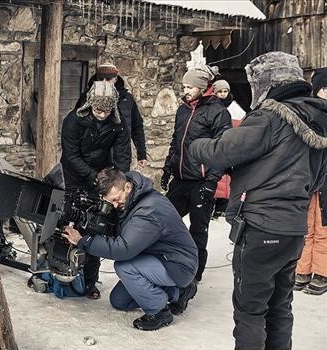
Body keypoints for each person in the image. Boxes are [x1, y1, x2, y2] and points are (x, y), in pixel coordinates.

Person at [190, 52, 327, 350]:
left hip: (263, 225)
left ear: (266, 82)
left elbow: (223, 151)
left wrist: (196, 146)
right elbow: (319, 179)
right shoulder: (318, 119)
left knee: (251, 312)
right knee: (280, 307)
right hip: (294, 228)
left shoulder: (272, 117)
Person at [62, 168, 198, 331]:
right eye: (110, 201)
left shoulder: (149, 209)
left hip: (179, 264)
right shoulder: (133, 200)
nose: (114, 205)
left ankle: (160, 312)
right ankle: (179, 292)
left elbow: (124, 249)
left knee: (124, 267)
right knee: (119, 301)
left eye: (116, 199)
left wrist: (83, 241)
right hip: (158, 257)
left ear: (127, 187)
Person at [60, 81, 131, 299]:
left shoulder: (118, 124)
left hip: (102, 176)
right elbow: (71, 155)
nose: (102, 114)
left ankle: (90, 281)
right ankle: (63, 270)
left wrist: (117, 180)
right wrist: (93, 176)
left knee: (95, 226)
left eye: (107, 110)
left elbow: (122, 155)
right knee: (70, 220)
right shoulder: (74, 121)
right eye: (98, 109)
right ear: (90, 105)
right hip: (75, 175)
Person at [161, 68, 232, 284]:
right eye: (184, 87)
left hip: (201, 182)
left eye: (189, 87)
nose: (186, 91)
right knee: (164, 220)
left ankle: (195, 273)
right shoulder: (183, 109)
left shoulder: (217, 112)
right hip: (181, 179)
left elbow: (223, 150)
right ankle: (167, 260)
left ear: (202, 88)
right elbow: (176, 141)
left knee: (198, 230)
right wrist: (167, 167)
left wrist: (211, 182)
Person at [75, 63, 147, 167]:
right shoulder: (87, 98)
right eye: (101, 79)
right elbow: (77, 127)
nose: (105, 82)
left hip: (120, 158)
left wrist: (142, 154)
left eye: (108, 79)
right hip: (94, 160)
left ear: (116, 79)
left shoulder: (127, 99)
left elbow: (137, 126)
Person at [294, 67, 327, 295]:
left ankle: (322, 272)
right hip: (311, 177)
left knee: (323, 227)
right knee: (306, 226)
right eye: (324, 88)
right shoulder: (308, 112)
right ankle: (303, 269)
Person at [211, 79, 246, 218]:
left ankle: (223, 207)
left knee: (227, 179)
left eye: (225, 91)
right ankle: (214, 206)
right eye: (220, 91)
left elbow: (241, 127)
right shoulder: (211, 107)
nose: (223, 94)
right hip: (215, 145)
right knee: (216, 178)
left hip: (230, 146)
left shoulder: (235, 109)